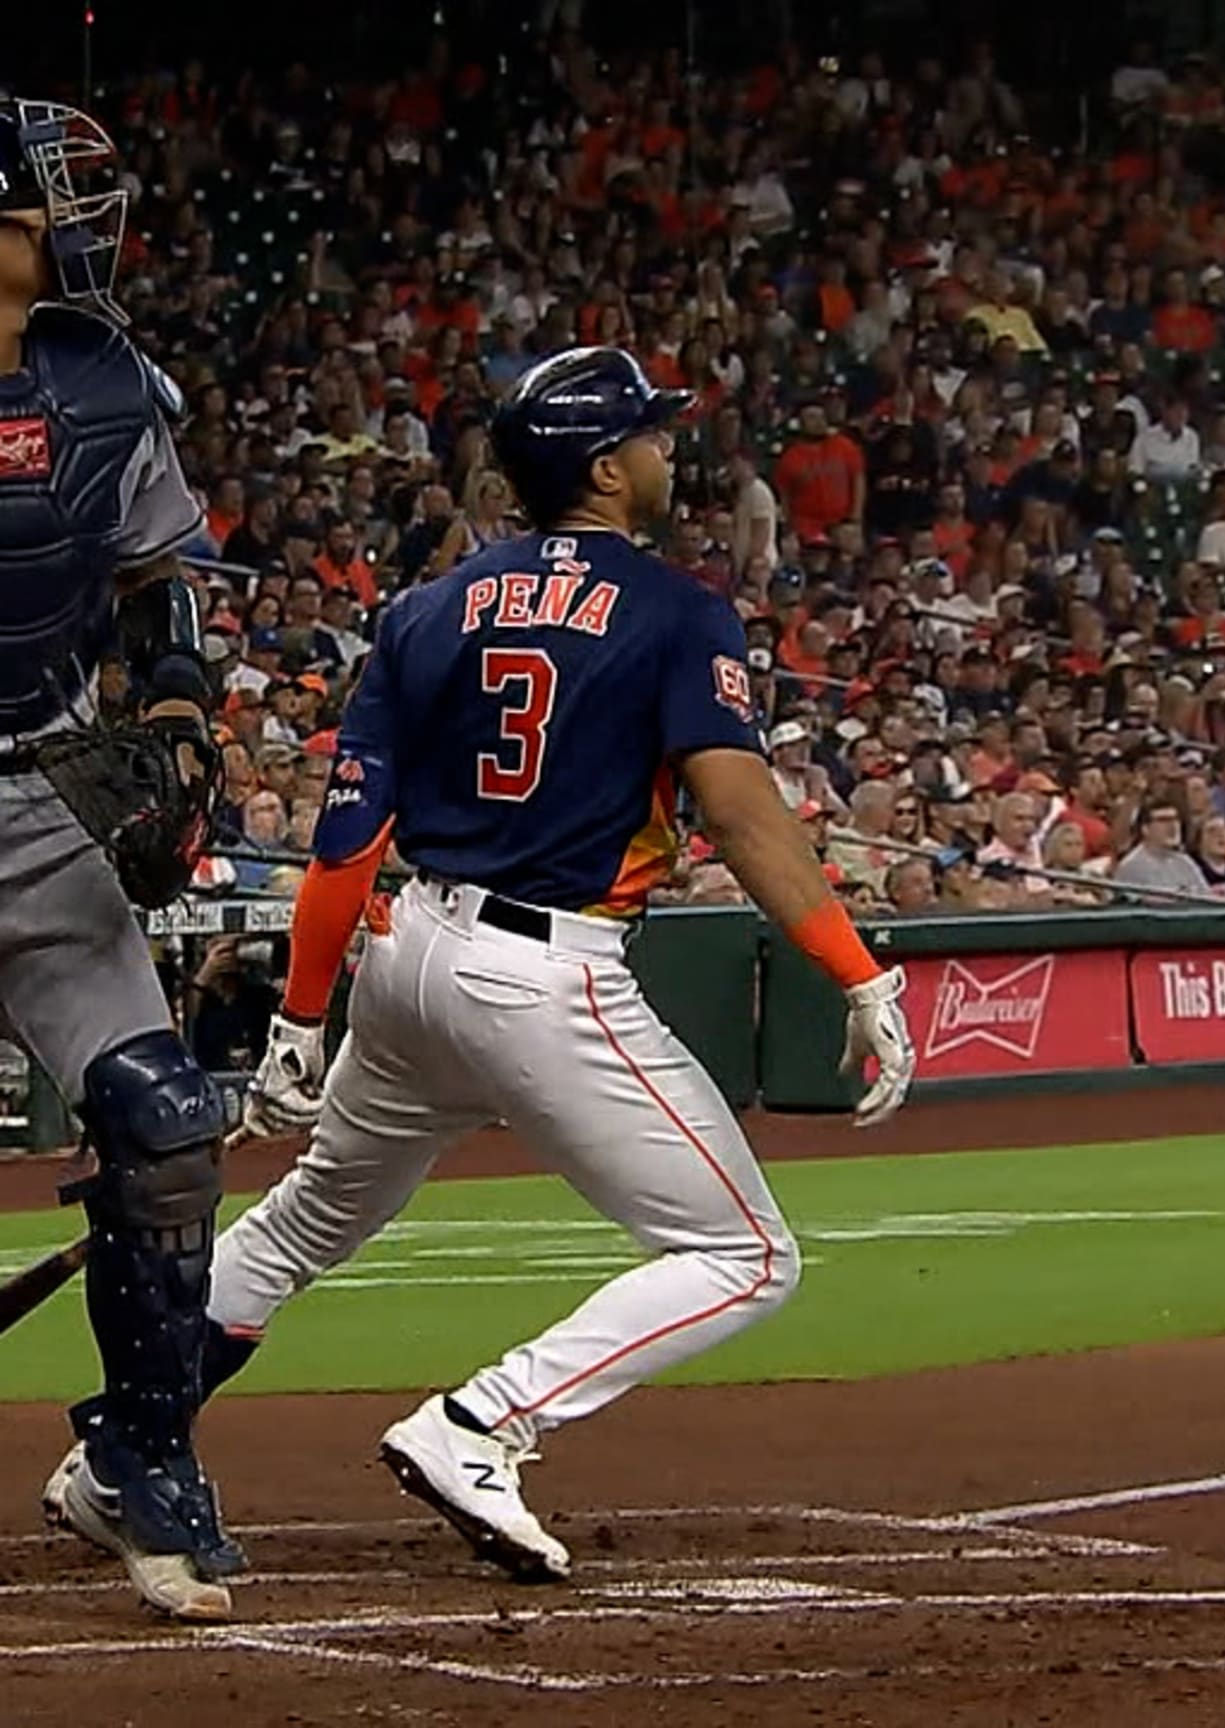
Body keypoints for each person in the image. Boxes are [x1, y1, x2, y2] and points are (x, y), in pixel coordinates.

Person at [164, 347, 920, 1587]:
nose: (667, 454)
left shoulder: (426, 608)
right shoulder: (678, 610)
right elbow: (736, 812)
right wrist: (859, 971)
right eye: (652, 439)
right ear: (607, 471)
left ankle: (127, 1450)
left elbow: (348, 838)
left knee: (302, 1222)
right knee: (745, 1256)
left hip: (406, 956)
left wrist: (302, 1016)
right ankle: (481, 1424)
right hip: (543, 971)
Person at [0, 94, 249, 1622]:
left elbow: (162, 588)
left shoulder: (106, 387)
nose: (80, 225)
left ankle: (139, 1464)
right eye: (47, 202)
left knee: (165, 1130)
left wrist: (175, 714)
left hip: (38, 798)